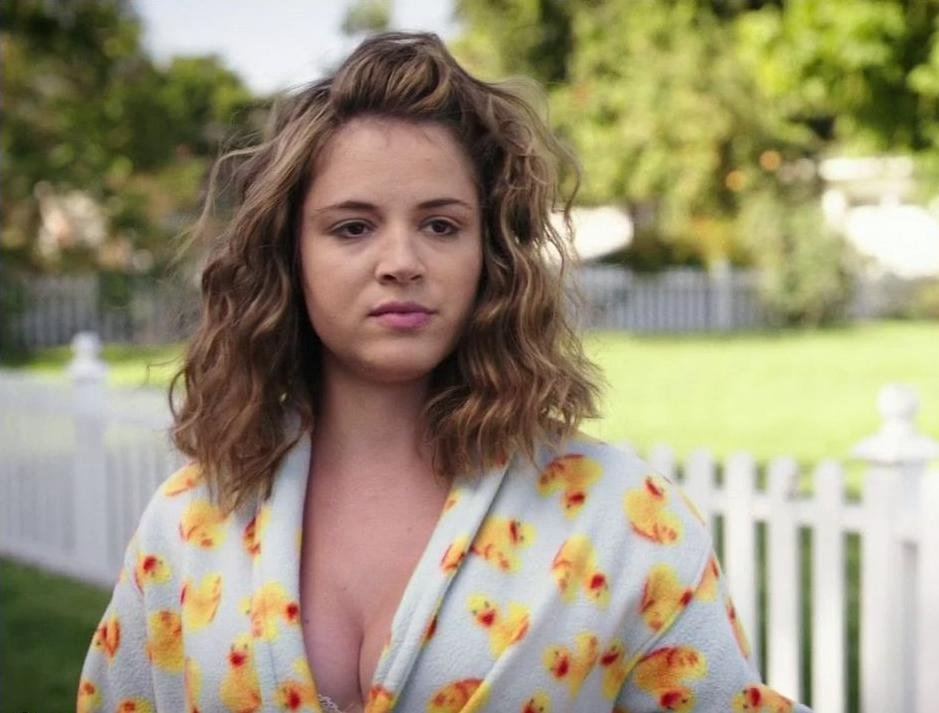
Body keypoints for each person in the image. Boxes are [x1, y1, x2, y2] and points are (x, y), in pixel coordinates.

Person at [77, 31, 811, 712]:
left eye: (441, 225)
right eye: (353, 226)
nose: (401, 261)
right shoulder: (191, 520)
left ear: (491, 256)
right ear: (288, 255)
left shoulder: (621, 519)